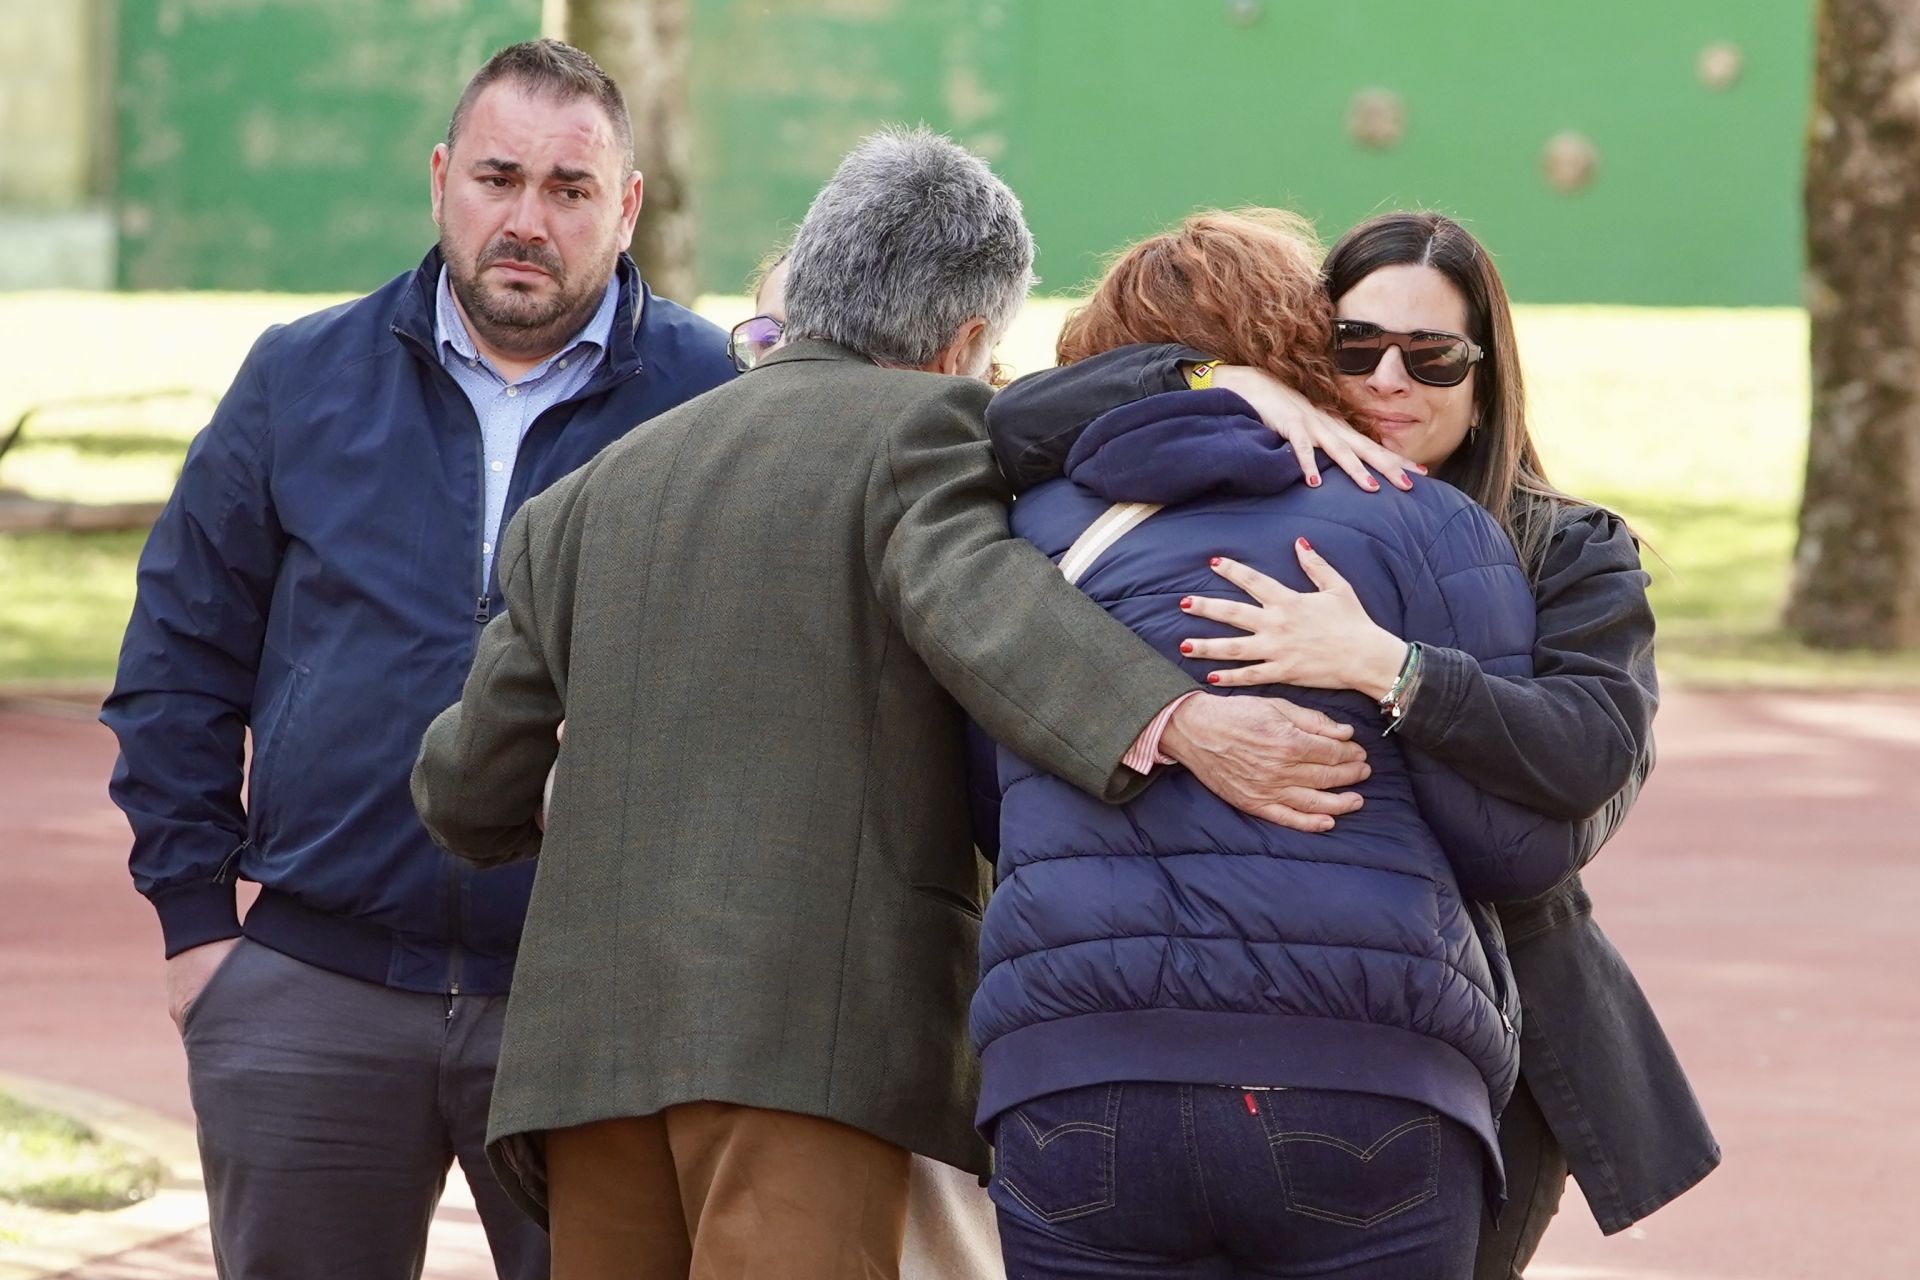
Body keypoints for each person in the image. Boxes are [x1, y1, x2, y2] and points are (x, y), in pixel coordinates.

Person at [409, 132, 1371, 1280]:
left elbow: (463, 790)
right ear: (967, 340)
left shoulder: (581, 501)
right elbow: (987, 606)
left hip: (582, 1064)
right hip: (809, 1052)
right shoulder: (924, 429)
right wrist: (1187, 722)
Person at [100, 39, 737, 1278]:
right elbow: (178, 654)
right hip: (311, 986)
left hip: (592, 1011)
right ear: (442, 177)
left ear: (628, 208)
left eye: (568, 190)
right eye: (498, 178)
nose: (527, 219)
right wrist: (195, 931)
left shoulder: (707, 396)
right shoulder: (300, 377)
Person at [985, 210, 1719, 1278]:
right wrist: (1219, 382)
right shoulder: (1235, 471)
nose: (1389, 379)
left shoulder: (1557, 544)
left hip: (1477, 1006)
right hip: (1338, 1052)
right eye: (1352, 347)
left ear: (1486, 378)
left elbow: (1583, 760)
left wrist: (1390, 668)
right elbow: (1006, 424)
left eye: (1433, 357)